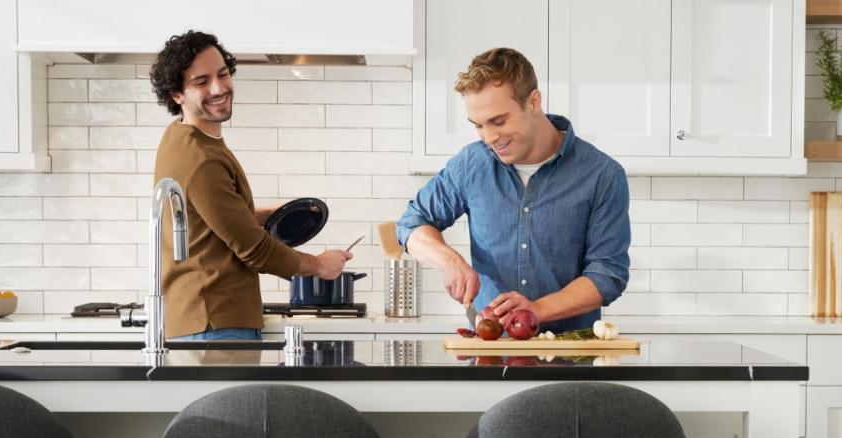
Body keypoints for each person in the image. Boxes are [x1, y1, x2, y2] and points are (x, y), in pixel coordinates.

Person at [397, 47, 630, 333]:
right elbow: (411, 224)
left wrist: (537, 309)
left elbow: (607, 275)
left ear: (533, 102)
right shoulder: (472, 164)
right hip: (490, 355)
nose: (489, 137)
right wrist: (450, 261)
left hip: (571, 358)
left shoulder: (602, 175)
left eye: (498, 121)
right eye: (478, 125)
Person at [150, 30, 352, 340]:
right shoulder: (202, 158)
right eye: (202, 82)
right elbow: (254, 250)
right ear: (177, 94)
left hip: (205, 319)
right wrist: (319, 265)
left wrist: (263, 214)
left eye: (222, 74)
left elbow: (206, 222)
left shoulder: (182, 137)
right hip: (215, 323)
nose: (219, 88)